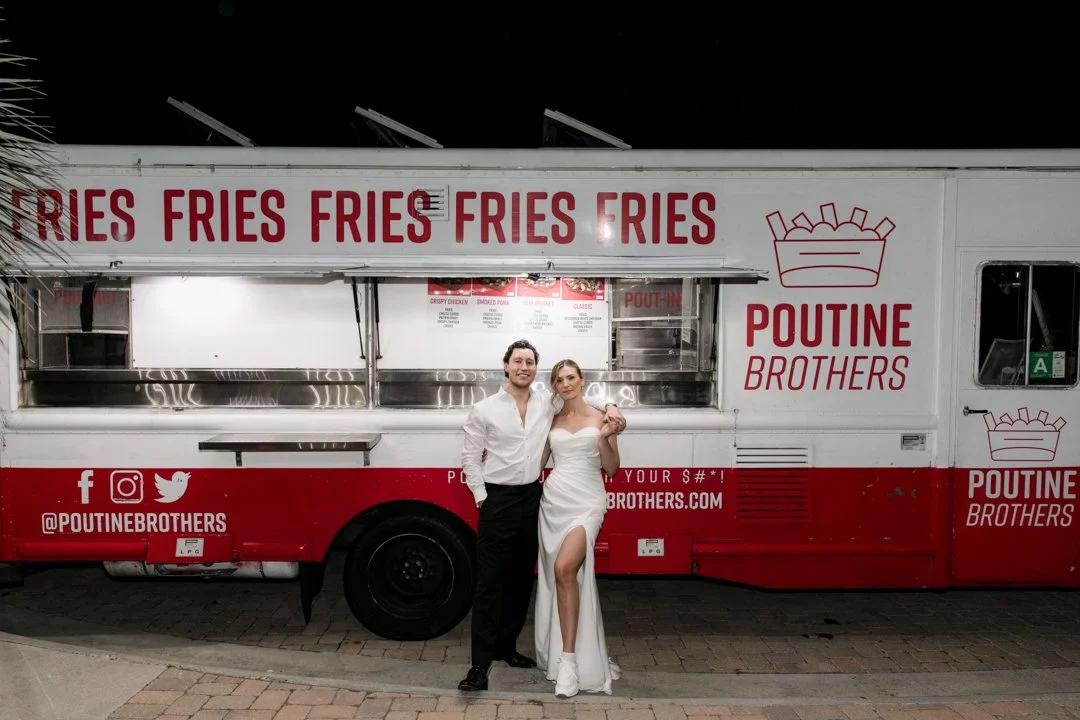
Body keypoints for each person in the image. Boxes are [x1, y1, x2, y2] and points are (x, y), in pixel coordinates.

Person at [457, 339, 626, 692]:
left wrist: (611, 405)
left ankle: (506, 647)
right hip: (499, 500)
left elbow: (583, 404)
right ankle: (479, 667)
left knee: (521, 580)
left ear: (535, 369)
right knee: (490, 584)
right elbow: (471, 458)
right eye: (517, 361)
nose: (523, 367)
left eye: (530, 362)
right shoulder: (484, 409)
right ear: (506, 366)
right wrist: (482, 498)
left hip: (534, 498)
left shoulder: (545, 405)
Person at [534, 359, 621, 698]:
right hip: (554, 502)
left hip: (587, 503)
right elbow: (535, 465)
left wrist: (604, 437)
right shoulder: (551, 420)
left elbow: (611, 469)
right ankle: (570, 653)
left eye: (571, 377)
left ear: (582, 380)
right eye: (559, 380)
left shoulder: (602, 418)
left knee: (564, 569)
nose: (566, 384)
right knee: (561, 577)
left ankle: (568, 662)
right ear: (554, 386)